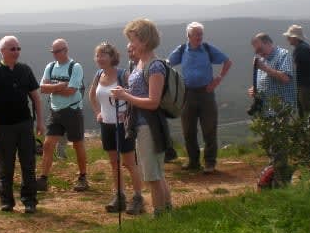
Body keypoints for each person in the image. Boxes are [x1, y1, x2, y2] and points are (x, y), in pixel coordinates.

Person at [111, 19, 173, 217]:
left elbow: (153, 102)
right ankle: (167, 211)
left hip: (149, 125)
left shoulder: (155, 66)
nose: (131, 43)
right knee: (156, 172)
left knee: (152, 175)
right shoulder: (141, 64)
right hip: (142, 124)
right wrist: (127, 94)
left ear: (145, 41)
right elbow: (141, 93)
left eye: (133, 39)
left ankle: (159, 215)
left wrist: (125, 96)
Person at [0, 36, 44, 213]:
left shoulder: (25, 70)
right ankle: (6, 201)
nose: (16, 52)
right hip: (3, 127)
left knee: (28, 164)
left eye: (18, 49)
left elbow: (35, 97)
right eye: (12, 49)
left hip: (24, 125)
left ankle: (29, 201)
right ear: (2, 51)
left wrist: (39, 121)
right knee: (5, 167)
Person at [88, 42, 146, 214]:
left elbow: (135, 96)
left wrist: (127, 113)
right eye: (98, 55)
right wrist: (98, 112)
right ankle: (119, 196)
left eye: (103, 55)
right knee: (114, 163)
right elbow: (92, 95)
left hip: (123, 125)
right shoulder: (99, 74)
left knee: (129, 162)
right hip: (106, 124)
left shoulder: (123, 74)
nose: (100, 58)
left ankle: (137, 197)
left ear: (112, 57)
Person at [168, 22, 232, 173]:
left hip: (206, 94)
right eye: (196, 34)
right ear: (188, 36)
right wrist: (174, 83)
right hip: (187, 94)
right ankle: (193, 161)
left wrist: (219, 78)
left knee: (209, 129)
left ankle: (210, 162)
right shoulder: (182, 50)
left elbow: (227, 61)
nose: (199, 37)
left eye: (201, 34)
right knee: (188, 130)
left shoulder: (208, 49)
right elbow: (167, 64)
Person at [37, 39, 89, 192]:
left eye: (57, 51)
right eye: (53, 52)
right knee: (47, 145)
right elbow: (42, 88)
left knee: (78, 144)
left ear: (65, 50)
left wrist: (52, 88)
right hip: (55, 111)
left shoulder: (75, 67)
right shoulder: (50, 66)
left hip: (72, 111)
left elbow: (71, 91)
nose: (54, 55)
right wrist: (59, 86)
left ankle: (83, 177)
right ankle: (43, 179)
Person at [247, 33, 297, 184]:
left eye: (260, 49)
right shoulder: (262, 59)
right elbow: (265, 81)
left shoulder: (283, 55)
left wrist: (265, 68)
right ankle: (274, 175)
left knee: (280, 144)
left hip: (280, 107)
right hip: (266, 108)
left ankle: (281, 179)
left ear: (269, 43)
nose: (259, 53)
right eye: (256, 50)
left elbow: (286, 78)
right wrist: (254, 90)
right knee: (270, 144)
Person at [283, 24, 310, 139]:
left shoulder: (300, 50)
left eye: (289, 36)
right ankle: (308, 141)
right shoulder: (304, 48)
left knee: (307, 113)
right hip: (309, 86)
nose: (287, 38)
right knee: (306, 113)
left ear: (295, 38)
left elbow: (297, 71)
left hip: (306, 88)